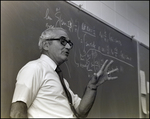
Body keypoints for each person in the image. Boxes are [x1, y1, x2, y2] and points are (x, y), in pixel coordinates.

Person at [10, 27, 118, 118]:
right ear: (46, 45)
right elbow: (17, 112)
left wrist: (92, 87)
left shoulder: (60, 80)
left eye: (69, 43)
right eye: (62, 41)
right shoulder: (34, 68)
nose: (68, 47)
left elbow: (80, 111)